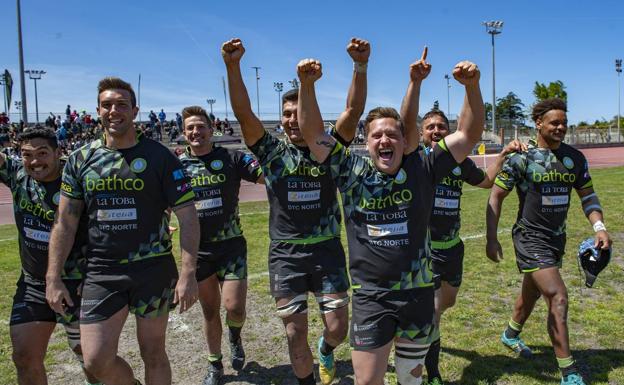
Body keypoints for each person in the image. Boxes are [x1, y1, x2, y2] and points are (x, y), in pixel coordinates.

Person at [296, 53, 485, 385]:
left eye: (392, 135)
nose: (385, 140)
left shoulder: (423, 166)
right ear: (366, 143)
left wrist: (472, 87)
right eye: (376, 136)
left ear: (404, 140)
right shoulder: (350, 169)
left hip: (417, 294)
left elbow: (468, 134)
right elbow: (313, 134)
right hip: (372, 297)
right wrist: (306, 86)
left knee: (410, 381)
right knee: (368, 381)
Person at [222, 37, 369, 385]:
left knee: (338, 328)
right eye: (286, 114)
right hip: (286, 253)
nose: (292, 120)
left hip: (327, 248)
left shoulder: (326, 146)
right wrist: (233, 66)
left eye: (297, 113)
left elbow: (354, 111)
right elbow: (244, 113)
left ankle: (327, 348)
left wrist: (360, 67)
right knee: (293, 332)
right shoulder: (271, 151)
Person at [45, 77, 200, 385]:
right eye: (107, 105)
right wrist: (53, 276)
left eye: (121, 105)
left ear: (135, 110)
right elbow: (65, 221)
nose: (114, 111)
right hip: (102, 271)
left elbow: (188, 217)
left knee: (153, 352)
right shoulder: (80, 159)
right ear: (98, 111)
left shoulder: (161, 157)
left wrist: (188, 273)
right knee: (95, 360)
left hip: (152, 267)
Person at [486, 98, 612, 385]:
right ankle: (568, 371)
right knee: (557, 296)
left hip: (557, 239)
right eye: (554, 122)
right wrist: (491, 239)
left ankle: (510, 334)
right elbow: (495, 195)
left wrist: (600, 227)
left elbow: (588, 196)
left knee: (530, 292)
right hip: (530, 238)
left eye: (564, 123)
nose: (561, 127)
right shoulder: (522, 158)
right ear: (539, 123)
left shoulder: (575, 159)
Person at [417, 108, 524, 384]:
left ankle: (421, 333)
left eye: (442, 126)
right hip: (423, 251)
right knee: (433, 313)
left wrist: (502, 156)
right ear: (421, 132)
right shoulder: (414, 161)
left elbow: (486, 181)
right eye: (430, 127)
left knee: (447, 302)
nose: (436, 131)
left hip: (452, 248)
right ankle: (433, 373)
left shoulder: (458, 161)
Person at [1, 128, 100, 385]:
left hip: (78, 284)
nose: (35, 162)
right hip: (34, 284)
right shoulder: (16, 174)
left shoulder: (78, 179)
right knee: (23, 357)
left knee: (91, 361)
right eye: (27, 155)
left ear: (58, 152)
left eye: (42, 153)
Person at [178, 105, 264, 385]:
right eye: (190, 127)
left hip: (231, 247)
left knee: (235, 307)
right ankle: (215, 364)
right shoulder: (177, 166)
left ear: (211, 129)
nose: (195, 132)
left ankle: (235, 336)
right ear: (183, 132)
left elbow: (266, 175)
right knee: (210, 310)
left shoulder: (231, 158)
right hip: (199, 251)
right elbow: (164, 201)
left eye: (200, 126)